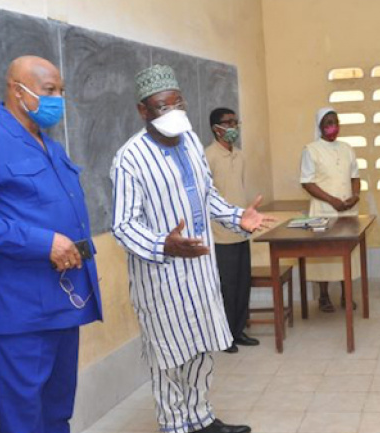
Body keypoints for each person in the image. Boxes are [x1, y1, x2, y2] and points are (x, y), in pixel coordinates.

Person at [111, 65, 271, 433]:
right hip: (161, 279)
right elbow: (123, 225)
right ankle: (175, 426)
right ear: (143, 111)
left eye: (178, 103)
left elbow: (207, 196)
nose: (173, 112)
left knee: (201, 349)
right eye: (162, 106)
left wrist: (236, 217)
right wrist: (161, 244)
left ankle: (201, 419)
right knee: (168, 358)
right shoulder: (129, 158)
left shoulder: (191, 142)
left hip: (201, 272)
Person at [0, 56, 102, 433]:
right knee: (23, 417)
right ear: (17, 89)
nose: (58, 99)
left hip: (62, 301)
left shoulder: (51, 147)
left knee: (57, 410)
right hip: (17, 309)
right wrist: (42, 243)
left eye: (61, 91)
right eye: (49, 91)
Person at [205, 107, 258, 354]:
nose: (233, 127)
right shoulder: (208, 156)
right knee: (226, 288)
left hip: (240, 231)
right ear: (216, 128)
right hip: (219, 236)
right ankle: (224, 337)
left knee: (242, 285)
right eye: (228, 123)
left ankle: (238, 331)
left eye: (236, 122)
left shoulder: (240, 155)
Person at [299, 107, 361, 313]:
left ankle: (346, 294)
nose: (332, 126)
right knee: (322, 255)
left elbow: (355, 177)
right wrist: (331, 200)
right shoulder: (311, 149)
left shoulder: (347, 148)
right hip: (324, 210)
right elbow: (307, 182)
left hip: (347, 211)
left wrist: (355, 195)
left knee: (348, 253)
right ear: (320, 127)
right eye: (328, 123)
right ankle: (324, 296)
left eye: (335, 122)